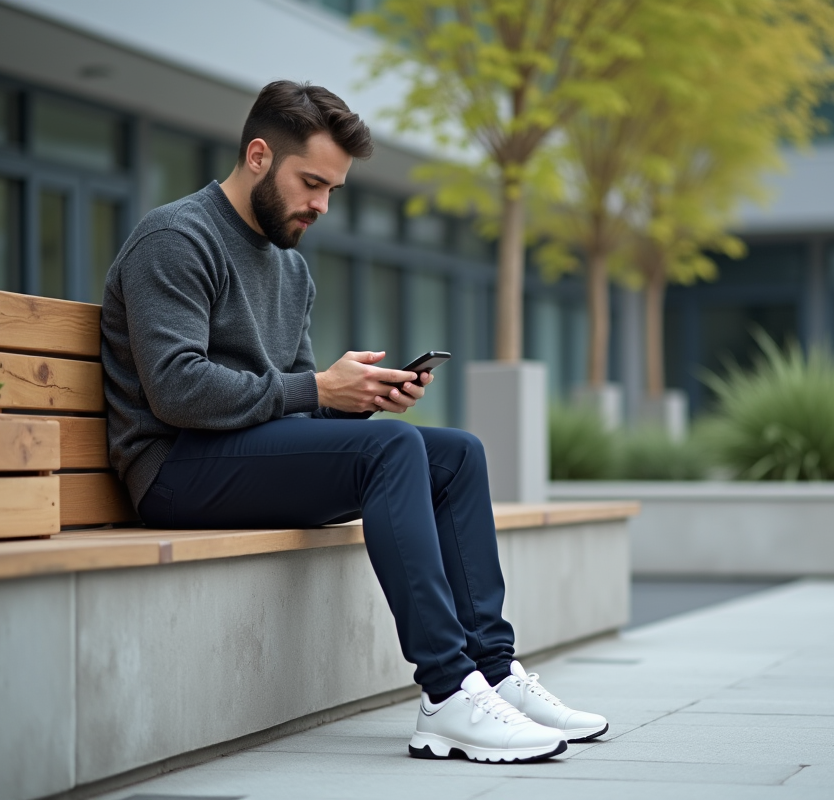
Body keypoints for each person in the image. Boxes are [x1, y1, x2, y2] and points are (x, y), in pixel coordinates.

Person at [100, 80, 606, 764]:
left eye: (332, 189)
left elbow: (297, 401)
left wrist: (356, 397)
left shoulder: (291, 268)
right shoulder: (176, 238)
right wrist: (317, 388)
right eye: (311, 182)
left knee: (456, 453)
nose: (321, 204)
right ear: (257, 155)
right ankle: (449, 693)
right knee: (390, 450)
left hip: (242, 456)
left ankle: (490, 668)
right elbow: (176, 391)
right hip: (174, 469)